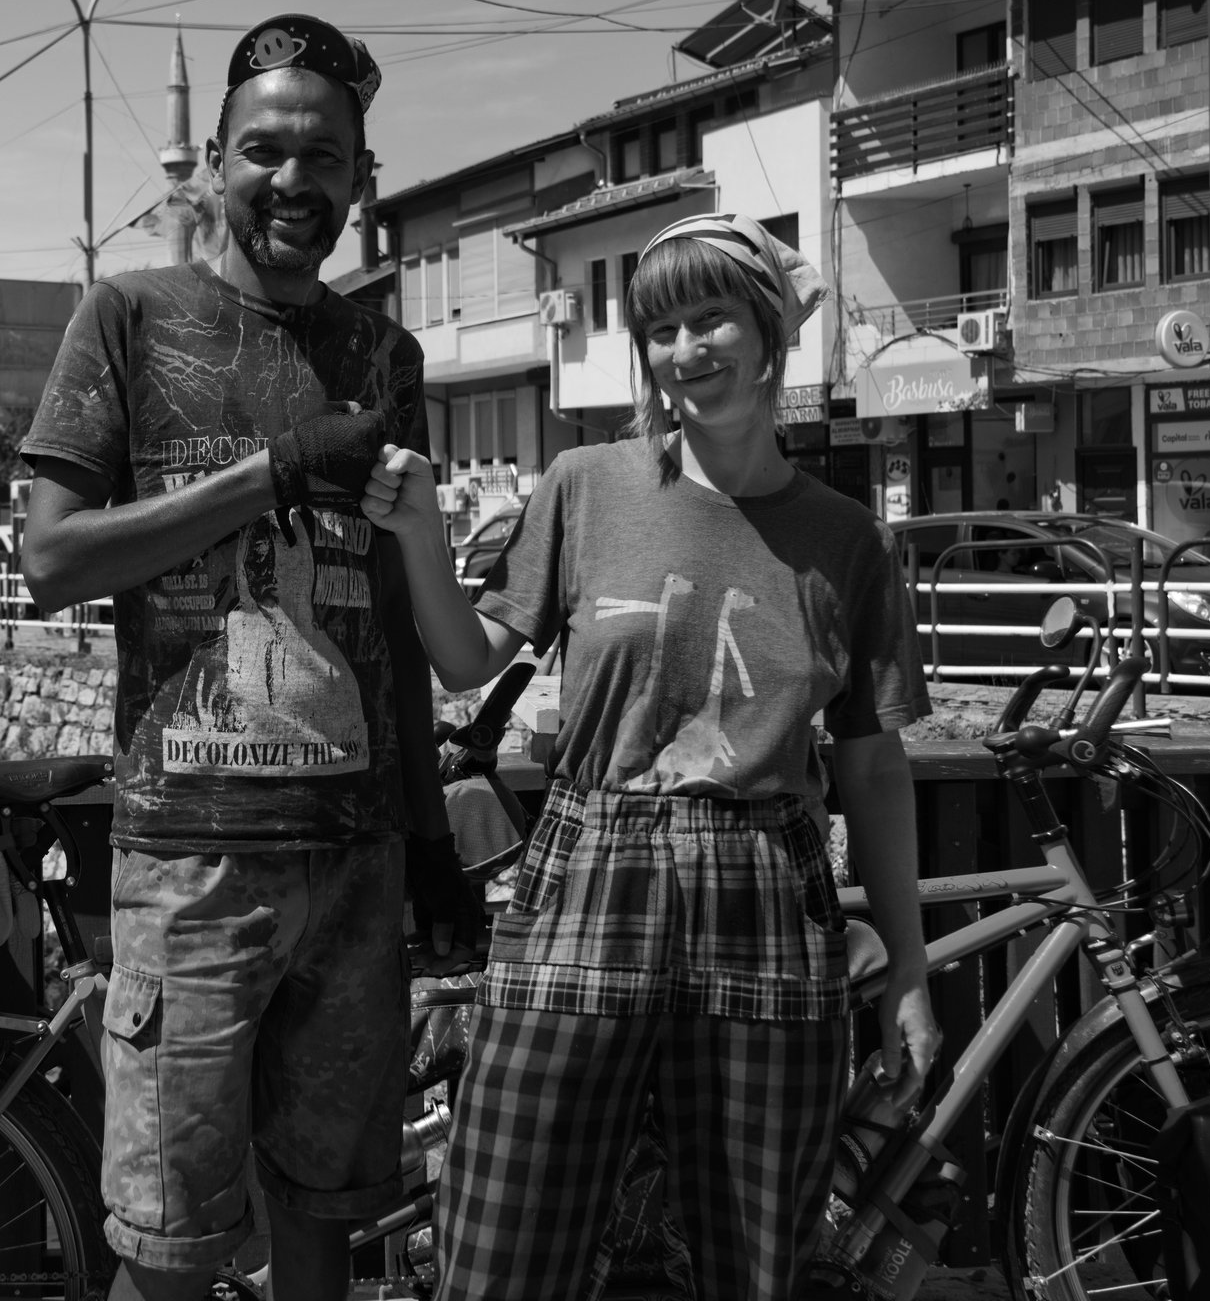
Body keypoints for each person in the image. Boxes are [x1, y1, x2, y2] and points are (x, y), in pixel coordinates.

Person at [362, 211, 942, 1301]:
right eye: (659, 327)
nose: (683, 351)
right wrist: (419, 541)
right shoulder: (585, 484)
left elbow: (869, 767)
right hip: (590, 868)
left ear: (769, 330)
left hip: (767, 893)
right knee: (500, 1238)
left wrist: (907, 969)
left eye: (709, 317)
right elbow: (464, 657)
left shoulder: (848, 540)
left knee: (752, 1260)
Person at [19, 14, 476, 1301]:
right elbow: (52, 559)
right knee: (168, 1249)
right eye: (264, 151)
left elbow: (388, 614)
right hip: (190, 863)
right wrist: (270, 473)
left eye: (323, 157)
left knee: (327, 1226)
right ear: (212, 162)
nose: (293, 182)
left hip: (356, 862)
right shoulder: (127, 315)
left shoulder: (386, 356)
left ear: (359, 178)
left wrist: (428, 837)